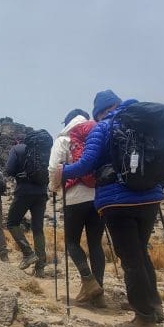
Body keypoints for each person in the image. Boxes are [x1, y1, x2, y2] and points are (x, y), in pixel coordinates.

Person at [58, 90, 164, 327]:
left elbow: (87, 164)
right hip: (150, 199)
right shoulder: (146, 124)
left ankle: (144, 319)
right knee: (141, 253)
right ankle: (155, 307)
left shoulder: (103, 127)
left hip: (118, 201)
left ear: (99, 112)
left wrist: (63, 172)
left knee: (130, 259)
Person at [50, 109, 106, 304]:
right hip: (98, 196)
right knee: (95, 244)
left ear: (67, 122)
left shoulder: (63, 139)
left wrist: (53, 187)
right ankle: (98, 294)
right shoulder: (97, 134)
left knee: (72, 242)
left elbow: (53, 167)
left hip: (74, 197)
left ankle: (89, 282)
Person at [6, 130, 52, 277]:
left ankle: (28, 253)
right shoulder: (43, 151)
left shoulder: (17, 149)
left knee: (12, 222)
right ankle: (40, 268)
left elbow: (9, 170)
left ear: (17, 141)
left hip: (24, 191)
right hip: (42, 192)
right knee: (38, 228)